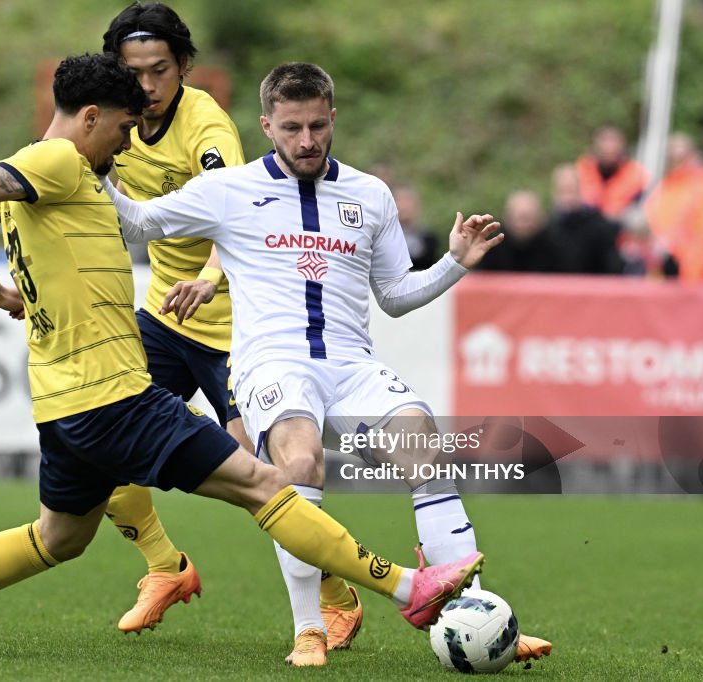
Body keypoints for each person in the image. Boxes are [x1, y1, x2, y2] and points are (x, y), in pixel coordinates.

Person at [0, 53, 483, 658]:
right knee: (267, 482)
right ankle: (407, 586)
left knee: (59, 536)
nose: (127, 145)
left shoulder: (57, 180)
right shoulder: (55, 161)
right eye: (124, 129)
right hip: (118, 397)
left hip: (59, 400)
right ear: (90, 117)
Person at [100, 62, 550, 666]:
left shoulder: (369, 195)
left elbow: (393, 296)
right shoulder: (228, 191)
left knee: (427, 449)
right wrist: (94, 165)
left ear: (333, 117)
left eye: (316, 125)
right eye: (290, 128)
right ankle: (310, 629)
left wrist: (455, 262)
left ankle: (475, 617)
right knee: (301, 459)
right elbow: (138, 222)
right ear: (266, 125)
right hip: (270, 366)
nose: (306, 141)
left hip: (350, 365)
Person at [98, 2, 262, 637]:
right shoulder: (112, 122)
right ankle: (166, 567)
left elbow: (239, 215)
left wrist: (210, 276)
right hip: (165, 316)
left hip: (233, 326)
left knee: (261, 474)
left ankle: (333, 595)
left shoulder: (208, 130)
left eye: (159, 70)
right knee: (102, 442)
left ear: (185, 66)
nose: (145, 85)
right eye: (132, 71)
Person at [643, 132, 703, 282]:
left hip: (693, 266)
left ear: (693, 157)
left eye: (680, 158)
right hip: (667, 258)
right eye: (671, 158)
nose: (675, 163)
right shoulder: (667, 186)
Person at [546, 164, 624, 274]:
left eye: (571, 190)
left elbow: (612, 266)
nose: (568, 198)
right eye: (562, 191)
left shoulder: (600, 227)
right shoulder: (549, 229)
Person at [575, 125, 648, 221]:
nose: (609, 147)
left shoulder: (636, 174)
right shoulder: (583, 169)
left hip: (620, 226)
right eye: (605, 141)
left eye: (613, 141)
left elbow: (642, 207)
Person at [475, 190, 559, 273]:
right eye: (518, 218)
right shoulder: (491, 245)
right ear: (507, 217)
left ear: (541, 218)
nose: (523, 225)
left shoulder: (555, 245)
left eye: (527, 218)